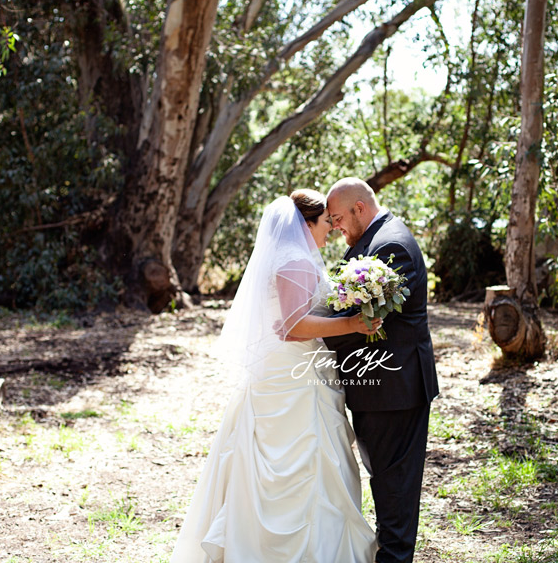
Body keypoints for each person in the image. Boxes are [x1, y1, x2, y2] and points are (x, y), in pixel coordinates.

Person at [170, 190, 379, 563]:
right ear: (306, 223)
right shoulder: (295, 260)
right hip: (294, 379)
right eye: (325, 224)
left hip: (286, 373)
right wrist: (350, 322)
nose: (329, 232)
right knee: (306, 464)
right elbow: (291, 326)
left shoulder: (289, 257)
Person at [323, 177, 439, 563]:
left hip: (396, 390)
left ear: (359, 208)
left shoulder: (390, 245)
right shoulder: (369, 241)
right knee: (387, 486)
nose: (335, 226)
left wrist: (306, 332)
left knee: (396, 492)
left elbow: (356, 317)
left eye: (338, 217)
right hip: (379, 389)